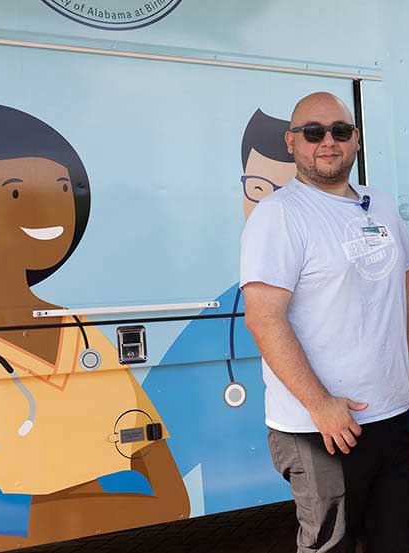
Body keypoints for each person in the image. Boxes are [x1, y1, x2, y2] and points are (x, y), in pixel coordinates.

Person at [0, 102, 188, 551]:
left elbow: (171, 501)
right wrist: (106, 491)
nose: (52, 209)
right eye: (16, 193)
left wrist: (14, 512)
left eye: (63, 189)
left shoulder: (83, 333)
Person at [241, 92, 409, 553]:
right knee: (330, 546)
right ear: (291, 142)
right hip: (319, 428)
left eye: (340, 131)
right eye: (313, 132)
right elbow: (264, 320)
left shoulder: (379, 204)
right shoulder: (278, 215)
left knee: (397, 541)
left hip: (394, 416)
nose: (328, 142)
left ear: (356, 140)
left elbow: (407, 293)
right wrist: (320, 405)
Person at [141, 108, 296, 515]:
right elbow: (153, 463)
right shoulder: (216, 318)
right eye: (258, 188)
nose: (271, 208)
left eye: (288, 192)